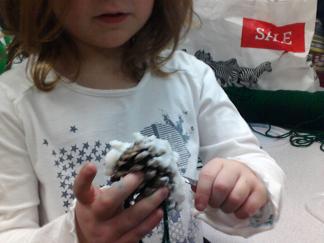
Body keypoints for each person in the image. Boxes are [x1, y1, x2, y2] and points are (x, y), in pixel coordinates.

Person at [0, 0, 285, 242]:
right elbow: (10, 232)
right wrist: (76, 234)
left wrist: (248, 185)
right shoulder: (13, 103)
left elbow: (252, 161)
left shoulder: (192, 78)